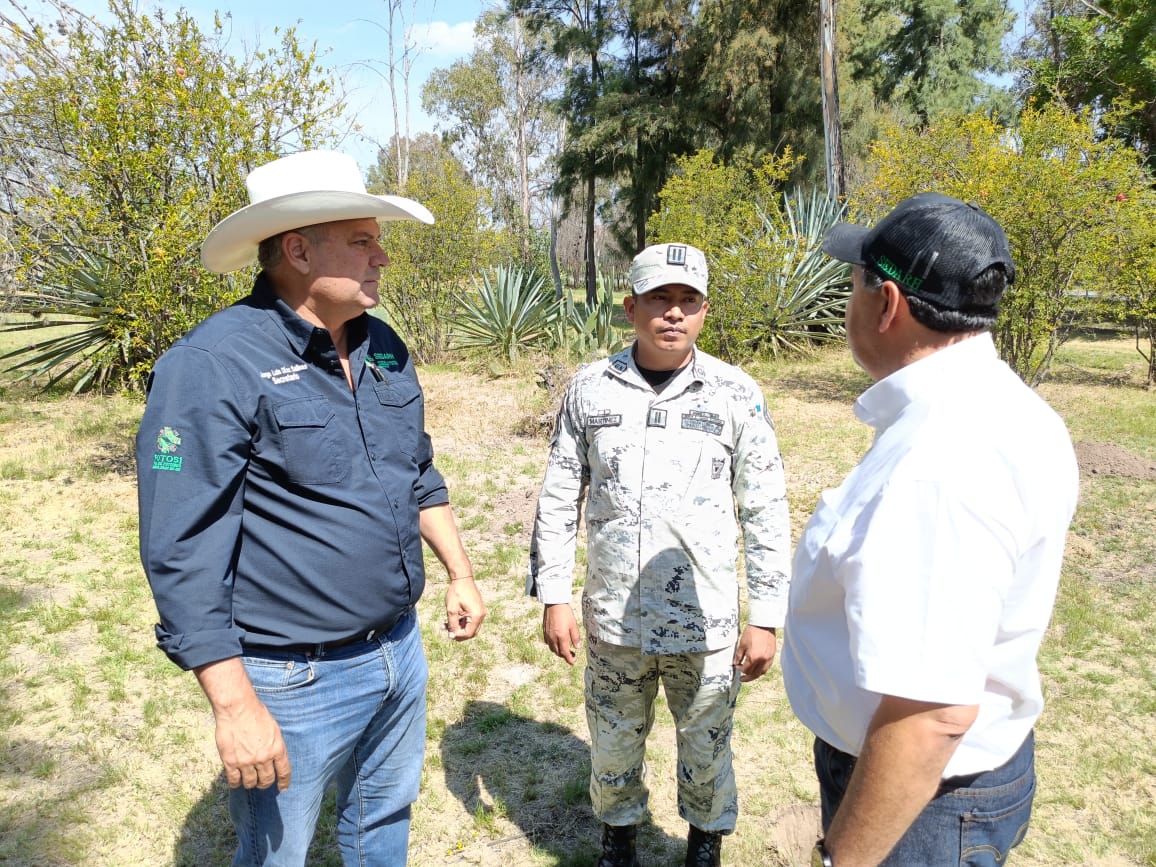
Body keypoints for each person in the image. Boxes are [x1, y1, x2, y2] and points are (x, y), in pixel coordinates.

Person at [136, 150, 486, 866]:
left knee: (382, 827)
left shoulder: (383, 345)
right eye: (361, 241)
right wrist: (235, 705)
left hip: (399, 651)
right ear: (297, 251)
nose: (381, 257)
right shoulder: (212, 365)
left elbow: (416, 469)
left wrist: (461, 572)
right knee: (277, 854)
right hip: (291, 678)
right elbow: (180, 547)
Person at [780, 192, 1079, 867]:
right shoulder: (1006, 407)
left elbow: (930, 717)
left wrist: (841, 859)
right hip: (953, 783)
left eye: (854, 284)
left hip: (919, 801)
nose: (849, 303)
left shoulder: (937, 464)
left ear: (886, 303)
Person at [528, 242, 792, 867]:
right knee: (613, 743)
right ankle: (618, 838)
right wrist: (554, 596)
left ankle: (704, 844)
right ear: (631, 308)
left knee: (707, 745)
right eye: (659, 299)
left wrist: (766, 616)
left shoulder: (734, 393)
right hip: (614, 618)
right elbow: (560, 494)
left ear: (704, 311)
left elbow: (765, 507)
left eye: (688, 300)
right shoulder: (590, 390)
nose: (674, 313)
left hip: (704, 621)